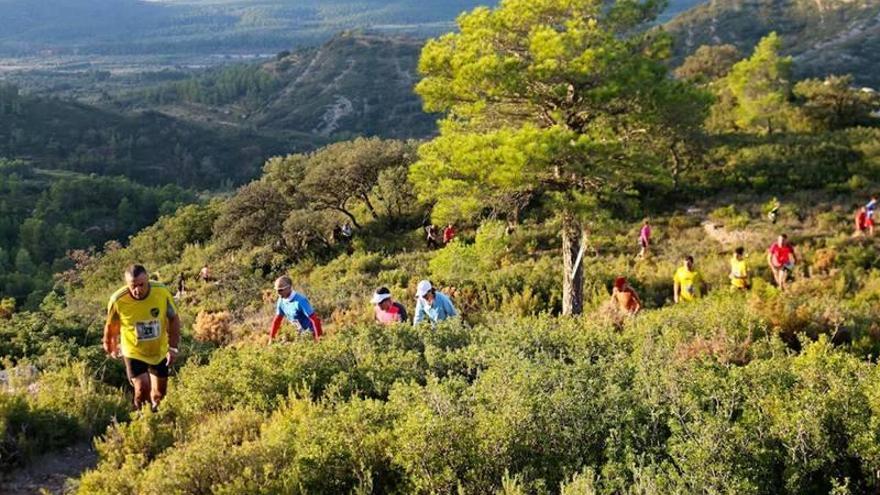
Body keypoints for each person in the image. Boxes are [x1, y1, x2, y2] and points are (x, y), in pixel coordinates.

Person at [103, 264, 180, 411]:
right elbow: (111, 325)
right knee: (142, 388)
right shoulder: (118, 299)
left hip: (159, 350)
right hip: (133, 351)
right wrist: (109, 344)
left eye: (141, 285)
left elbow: (174, 319)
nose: (137, 290)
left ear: (148, 280)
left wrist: (173, 347)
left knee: (160, 394)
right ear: (127, 284)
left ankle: (157, 418)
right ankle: (141, 417)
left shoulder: (161, 292)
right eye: (133, 286)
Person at [268, 276, 323, 343]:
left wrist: (318, 339)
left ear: (289, 287)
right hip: (298, 334)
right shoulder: (281, 301)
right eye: (276, 290)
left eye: (280, 290)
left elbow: (315, 319)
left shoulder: (300, 301)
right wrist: (271, 338)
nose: (278, 293)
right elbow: (277, 320)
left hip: (311, 334)